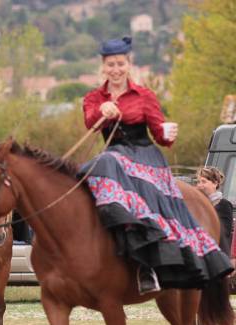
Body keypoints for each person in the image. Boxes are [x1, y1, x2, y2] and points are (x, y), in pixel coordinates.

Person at [80, 37, 232, 295]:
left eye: (120, 63)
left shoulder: (145, 96)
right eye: (110, 65)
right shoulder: (94, 98)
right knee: (85, 173)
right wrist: (100, 112)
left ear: (129, 64)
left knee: (105, 162)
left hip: (144, 158)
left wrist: (167, 132)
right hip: (114, 158)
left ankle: (146, 264)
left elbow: (160, 136)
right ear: (103, 67)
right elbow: (89, 123)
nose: (115, 69)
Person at [194, 167, 234, 325]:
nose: (200, 185)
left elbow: (223, 232)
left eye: (204, 181)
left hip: (218, 260)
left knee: (220, 302)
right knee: (201, 302)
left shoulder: (223, 204)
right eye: (198, 181)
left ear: (215, 183)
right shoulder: (197, 205)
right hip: (201, 260)